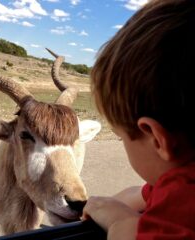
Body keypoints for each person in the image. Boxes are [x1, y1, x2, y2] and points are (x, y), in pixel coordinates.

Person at [81, 0, 195, 239]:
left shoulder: (184, 197)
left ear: (156, 139)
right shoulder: (179, 181)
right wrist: (102, 205)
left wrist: (119, 220)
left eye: (121, 136)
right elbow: (141, 193)